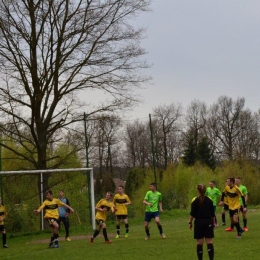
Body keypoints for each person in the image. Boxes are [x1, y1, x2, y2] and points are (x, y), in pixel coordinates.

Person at [189, 184, 215, 260]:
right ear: (205, 190)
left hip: (199, 222)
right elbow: (212, 214)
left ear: (198, 190)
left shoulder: (194, 200)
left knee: (199, 242)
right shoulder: (209, 200)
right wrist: (213, 223)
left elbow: (192, 214)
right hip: (208, 222)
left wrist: (190, 223)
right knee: (209, 241)